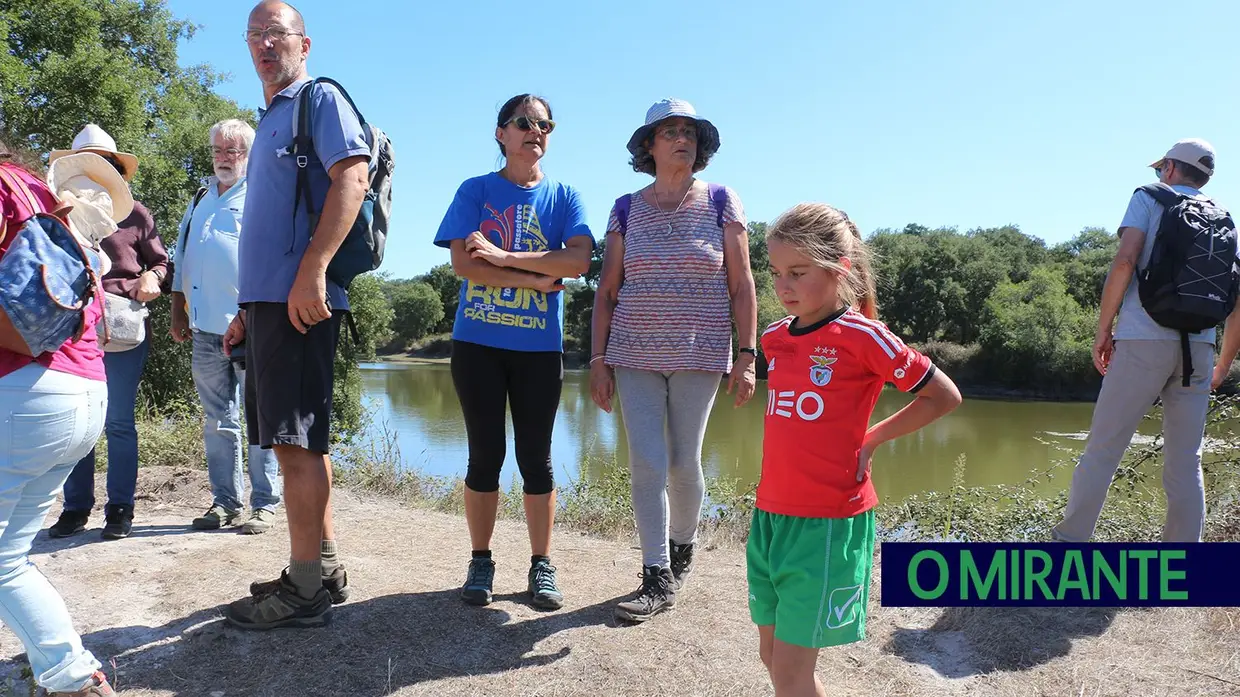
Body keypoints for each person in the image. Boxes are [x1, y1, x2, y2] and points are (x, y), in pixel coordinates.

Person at [751, 203, 961, 696]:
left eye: (798, 273)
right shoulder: (775, 338)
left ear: (839, 268)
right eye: (777, 272)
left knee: (789, 671)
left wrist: (874, 438)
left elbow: (943, 396)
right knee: (773, 657)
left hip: (826, 522)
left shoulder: (865, 337)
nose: (783, 286)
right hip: (771, 516)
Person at [220, 0, 368, 629]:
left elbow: (352, 179)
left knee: (293, 444)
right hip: (271, 307)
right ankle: (322, 566)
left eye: (276, 34)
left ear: (304, 44)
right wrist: (248, 311)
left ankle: (305, 591)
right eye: (254, 35)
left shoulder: (320, 100)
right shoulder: (273, 116)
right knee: (300, 442)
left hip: (302, 302)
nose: (264, 45)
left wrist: (312, 274)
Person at [589, 98, 757, 622]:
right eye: (670, 132)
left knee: (684, 463)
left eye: (689, 131)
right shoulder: (624, 207)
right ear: (649, 146)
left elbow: (742, 283)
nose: (682, 138)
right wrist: (597, 358)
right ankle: (655, 574)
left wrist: (747, 355)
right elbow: (607, 289)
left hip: (699, 351)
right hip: (633, 352)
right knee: (647, 463)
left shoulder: (721, 201)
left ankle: (683, 546)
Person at [433, 93, 593, 610]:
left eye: (545, 124)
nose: (536, 131)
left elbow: (578, 262)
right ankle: (481, 560)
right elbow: (464, 265)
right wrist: (533, 272)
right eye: (524, 122)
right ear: (501, 133)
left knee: (536, 459)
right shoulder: (475, 191)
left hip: (538, 350)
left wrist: (503, 255)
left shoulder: (565, 196)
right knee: (485, 455)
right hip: (477, 344)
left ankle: (541, 565)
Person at [1053, 139, 1240, 544]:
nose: (1158, 176)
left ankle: (1069, 545)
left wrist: (1104, 329)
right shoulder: (1223, 217)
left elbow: (1125, 259)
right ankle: (1184, 558)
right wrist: (1224, 361)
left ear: (1171, 169)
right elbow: (1236, 297)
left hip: (1143, 339)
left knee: (1103, 450)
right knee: (1186, 461)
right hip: (1200, 348)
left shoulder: (1149, 198)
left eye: (1161, 169)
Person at [0, 140, 121, 696]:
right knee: (8, 557)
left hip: (25, 394)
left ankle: (72, 680)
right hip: (84, 391)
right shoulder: (46, 195)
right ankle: (65, 674)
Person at [48, 124, 168, 541]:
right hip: (72, 325)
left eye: (107, 161)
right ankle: (76, 508)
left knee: (118, 421)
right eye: (91, 160)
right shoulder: (55, 207)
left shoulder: (137, 214)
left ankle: (120, 509)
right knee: (76, 420)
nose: (100, 167)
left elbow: (162, 264)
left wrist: (153, 276)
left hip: (123, 323)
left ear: (116, 167)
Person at [171, 119, 282, 534]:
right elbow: (181, 256)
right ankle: (225, 502)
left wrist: (255, 312)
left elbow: (271, 259)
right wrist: (178, 310)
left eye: (233, 151)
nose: (224, 158)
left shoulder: (260, 194)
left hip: (251, 325)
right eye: (218, 150)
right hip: (203, 326)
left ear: (249, 156)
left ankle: (264, 503)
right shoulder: (201, 195)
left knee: (261, 416)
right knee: (217, 419)